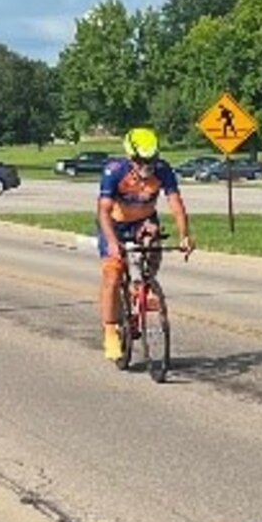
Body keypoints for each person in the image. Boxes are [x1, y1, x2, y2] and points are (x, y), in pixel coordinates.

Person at [97, 127, 193, 363]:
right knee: (112, 274)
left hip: (144, 221)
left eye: (152, 159)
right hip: (115, 225)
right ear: (130, 158)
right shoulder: (115, 172)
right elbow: (104, 211)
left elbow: (175, 202)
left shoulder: (163, 170)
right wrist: (111, 242)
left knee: (154, 241)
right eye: (141, 161)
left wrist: (185, 235)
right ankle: (110, 331)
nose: (147, 165)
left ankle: (144, 285)